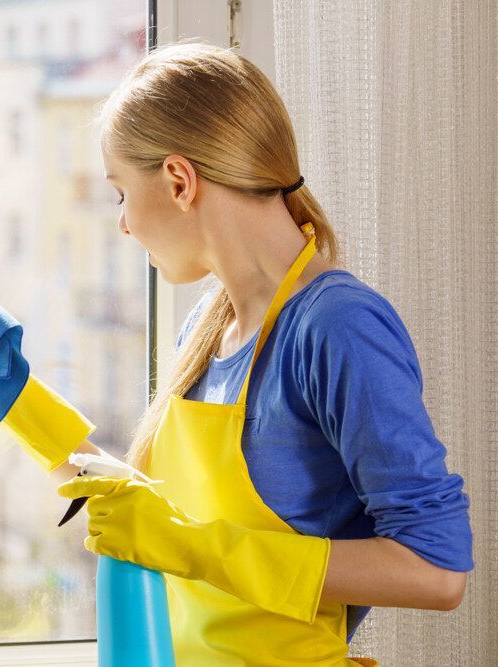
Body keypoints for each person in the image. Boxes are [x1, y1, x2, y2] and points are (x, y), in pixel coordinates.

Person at [53, 40, 473, 665]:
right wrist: (4, 393)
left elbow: (436, 570)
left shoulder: (337, 327)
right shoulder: (208, 325)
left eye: (120, 193)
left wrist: (196, 548)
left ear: (179, 181)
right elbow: (150, 520)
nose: (123, 223)